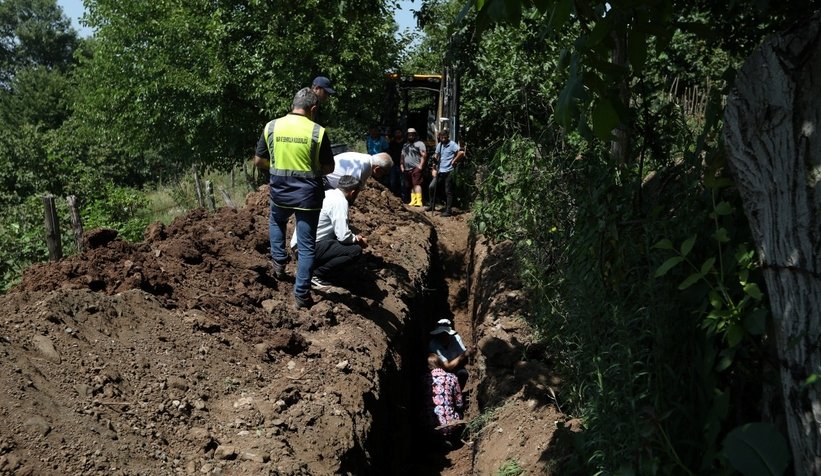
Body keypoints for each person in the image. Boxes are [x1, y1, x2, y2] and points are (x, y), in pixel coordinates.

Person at [253, 87, 335, 310]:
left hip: (279, 192)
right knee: (307, 246)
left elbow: (259, 161)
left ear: (293, 105)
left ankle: (279, 263)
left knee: (277, 221)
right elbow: (329, 167)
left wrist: (278, 167)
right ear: (313, 108)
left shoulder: (272, 126)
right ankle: (301, 295)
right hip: (308, 196)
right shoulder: (317, 131)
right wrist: (312, 168)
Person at [291, 175, 367, 289]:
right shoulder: (340, 202)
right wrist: (358, 240)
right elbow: (343, 236)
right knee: (355, 250)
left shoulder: (327, 193)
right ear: (353, 192)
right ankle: (316, 274)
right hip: (308, 249)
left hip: (298, 245)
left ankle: (309, 268)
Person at [421, 353, 464, 446]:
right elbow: (459, 403)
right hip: (450, 425)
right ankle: (450, 438)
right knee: (458, 414)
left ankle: (434, 442)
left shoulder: (423, 379)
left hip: (429, 426)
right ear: (441, 364)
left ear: (428, 366)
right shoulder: (452, 377)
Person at [428, 129, 464, 216]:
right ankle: (431, 205)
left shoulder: (452, 144)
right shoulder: (439, 145)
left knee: (448, 191)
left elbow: (461, 152)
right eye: (441, 137)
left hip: (449, 170)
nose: (443, 139)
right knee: (432, 187)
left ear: (447, 137)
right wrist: (433, 168)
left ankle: (448, 210)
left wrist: (454, 160)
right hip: (440, 170)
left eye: (444, 137)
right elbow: (436, 157)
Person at [428, 319, 472, 389]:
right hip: (440, 371)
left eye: (445, 334)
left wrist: (464, 355)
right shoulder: (433, 344)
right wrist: (464, 355)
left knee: (463, 374)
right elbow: (447, 366)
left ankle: (458, 393)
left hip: (456, 367)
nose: (443, 337)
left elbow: (463, 358)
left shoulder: (456, 338)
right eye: (441, 334)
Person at [325, 151, 392, 189]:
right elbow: (347, 189)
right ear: (377, 169)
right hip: (326, 182)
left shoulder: (367, 159)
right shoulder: (365, 167)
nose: (382, 176)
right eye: (384, 173)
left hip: (327, 178)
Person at [401, 127, 427, 207]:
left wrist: (420, 166)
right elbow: (402, 155)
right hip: (407, 168)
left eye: (412, 135)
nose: (411, 136)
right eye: (409, 135)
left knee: (417, 184)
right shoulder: (405, 145)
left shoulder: (420, 144)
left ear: (415, 135)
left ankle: (419, 201)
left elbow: (424, 155)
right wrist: (401, 164)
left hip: (416, 167)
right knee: (411, 184)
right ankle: (413, 200)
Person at [387, 128, 405, 199]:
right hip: (393, 164)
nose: (397, 134)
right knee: (393, 182)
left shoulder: (405, 143)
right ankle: (394, 197)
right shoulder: (392, 143)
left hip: (403, 165)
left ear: (401, 133)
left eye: (399, 132)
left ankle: (404, 198)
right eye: (396, 133)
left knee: (403, 182)